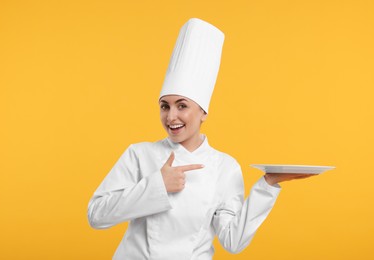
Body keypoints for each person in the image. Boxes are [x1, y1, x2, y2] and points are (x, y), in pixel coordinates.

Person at [87, 18, 314, 260]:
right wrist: (157, 186)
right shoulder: (139, 154)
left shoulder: (224, 167)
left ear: (203, 112)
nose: (171, 116)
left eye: (182, 106)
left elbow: (233, 241)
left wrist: (268, 184)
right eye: (165, 106)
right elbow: (96, 216)